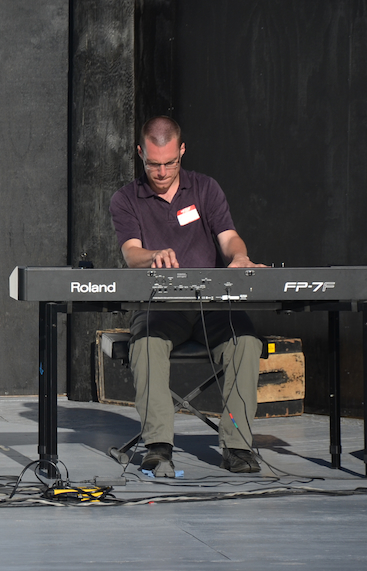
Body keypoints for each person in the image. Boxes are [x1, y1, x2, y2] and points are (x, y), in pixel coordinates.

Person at [109, 116, 265, 475]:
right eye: (153, 164)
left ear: (182, 150)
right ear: (140, 153)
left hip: (212, 306)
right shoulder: (126, 198)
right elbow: (131, 253)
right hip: (160, 306)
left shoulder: (206, 188)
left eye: (169, 163)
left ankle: (238, 447)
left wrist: (240, 257)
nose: (162, 172)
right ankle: (158, 446)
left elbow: (229, 237)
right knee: (146, 345)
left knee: (245, 342)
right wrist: (153, 255)